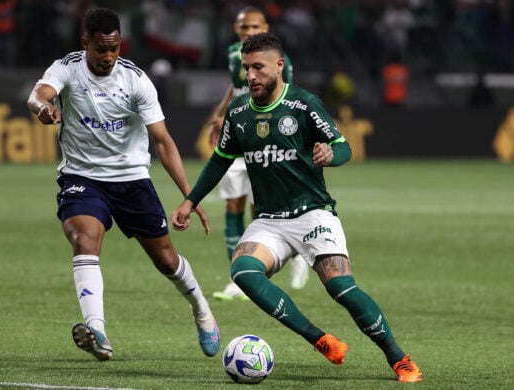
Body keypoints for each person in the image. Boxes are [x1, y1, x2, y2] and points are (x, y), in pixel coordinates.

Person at [172, 32, 423, 383]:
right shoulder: (238, 112)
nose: (251, 76)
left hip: (313, 213)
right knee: (243, 272)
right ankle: (319, 339)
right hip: (269, 221)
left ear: (279, 66)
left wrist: (330, 155)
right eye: (246, 68)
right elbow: (219, 161)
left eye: (258, 67)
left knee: (339, 286)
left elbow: (343, 146)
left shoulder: (304, 104)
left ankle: (398, 358)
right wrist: (190, 201)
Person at [26, 7, 220, 362]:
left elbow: (162, 142)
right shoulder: (67, 67)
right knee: (85, 238)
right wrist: (42, 108)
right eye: (101, 49)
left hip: (131, 180)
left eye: (115, 48)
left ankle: (201, 310)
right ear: (86, 43)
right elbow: (38, 94)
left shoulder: (135, 80)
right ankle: (96, 330)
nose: (109, 57)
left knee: (165, 260)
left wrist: (190, 197)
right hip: (82, 177)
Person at [207, 6, 309, 301]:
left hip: (261, 138)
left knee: (260, 209)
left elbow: (287, 94)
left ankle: (290, 257)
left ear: (265, 27)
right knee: (232, 206)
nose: (248, 33)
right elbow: (237, 85)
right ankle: (237, 278)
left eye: (254, 28)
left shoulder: (281, 61)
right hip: (236, 132)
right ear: (237, 30)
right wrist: (220, 112)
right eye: (243, 28)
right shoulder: (232, 55)